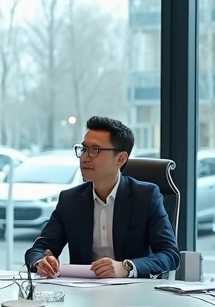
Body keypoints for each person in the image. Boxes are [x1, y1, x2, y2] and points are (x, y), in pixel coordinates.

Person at [25, 116, 179, 279]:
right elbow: (38, 249)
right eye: (83, 149)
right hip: (82, 290)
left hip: (132, 290)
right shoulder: (70, 200)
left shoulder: (145, 197)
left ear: (120, 158)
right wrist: (41, 262)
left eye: (94, 150)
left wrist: (126, 267)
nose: (85, 157)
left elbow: (170, 255)